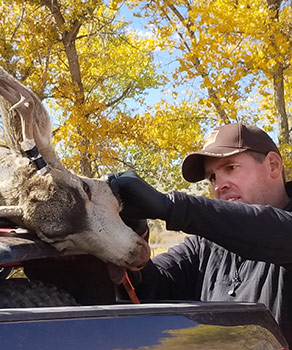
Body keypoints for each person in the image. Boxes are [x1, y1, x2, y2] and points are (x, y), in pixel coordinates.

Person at [108, 122, 292, 347]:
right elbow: (152, 289)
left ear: (273, 165)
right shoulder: (204, 246)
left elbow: (274, 230)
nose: (219, 185)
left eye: (230, 168)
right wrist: (129, 233)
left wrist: (171, 207)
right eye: (212, 177)